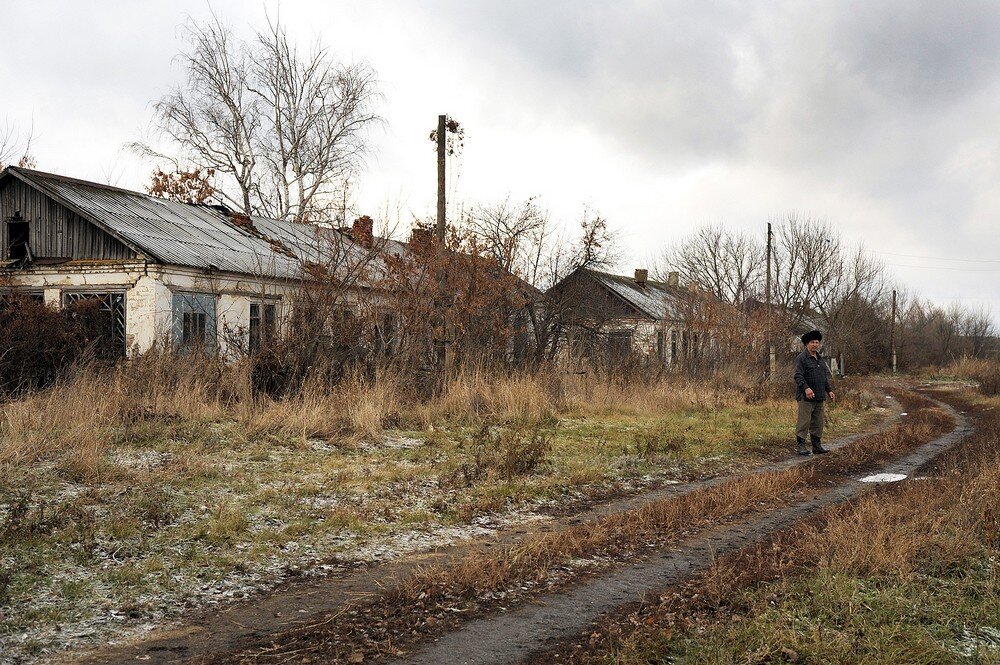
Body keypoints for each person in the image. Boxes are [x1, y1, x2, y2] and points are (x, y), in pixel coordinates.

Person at [793, 329, 836, 455]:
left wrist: (829, 390)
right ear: (807, 344)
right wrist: (806, 388)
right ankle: (801, 446)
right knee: (804, 422)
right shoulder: (801, 358)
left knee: (818, 423)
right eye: (812, 342)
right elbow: (798, 376)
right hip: (805, 398)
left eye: (817, 342)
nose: (815, 344)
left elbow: (823, 377)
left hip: (819, 396)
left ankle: (816, 446)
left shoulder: (820, 359)